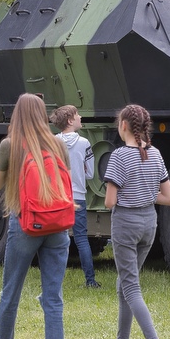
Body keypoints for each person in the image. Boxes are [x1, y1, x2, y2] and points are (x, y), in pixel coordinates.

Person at [0, 93, 72, 339]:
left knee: (11, 291)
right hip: (57, 225)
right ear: (44, 114)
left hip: (25, 224)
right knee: (53, 295)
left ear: (17, 114)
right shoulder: (58, 144)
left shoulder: (10, 145)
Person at [103, 103, 170, 339]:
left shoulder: (120, 156)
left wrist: (129, 192)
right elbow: (168, 198)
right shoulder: (155, 154)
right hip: (149, 225)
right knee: (124, 284)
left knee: (130, 287)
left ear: (123, 126)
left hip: (126, 224)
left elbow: (110, 202)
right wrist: (145, 193)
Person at [51, 104, 100, 288]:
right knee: (81, 238)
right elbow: (89, 174)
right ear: (71, 121)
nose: (80, 117)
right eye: (77, 115)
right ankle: (90, 280)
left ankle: (53, 280)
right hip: (78, 196)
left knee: (57, 240)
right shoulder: (84, 143)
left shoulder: (54, 142)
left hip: (58, 196)